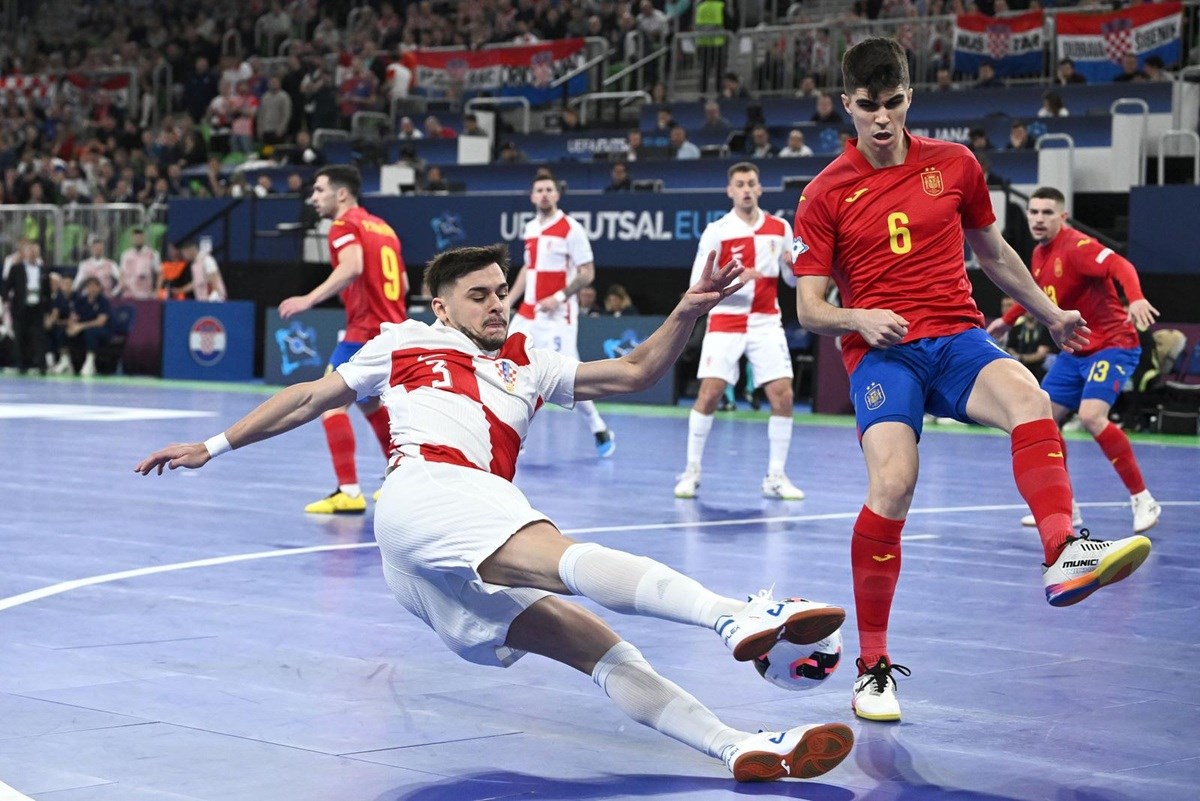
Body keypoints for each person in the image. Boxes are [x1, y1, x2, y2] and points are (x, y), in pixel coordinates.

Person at [134, 243, 855, 784]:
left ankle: (737, 745)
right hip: (427, 489)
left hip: (433, 556)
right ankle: (734, 615)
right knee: (562, 556)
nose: (496, 305)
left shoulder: (529, 359)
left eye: (501, 293)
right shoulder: (402, 342)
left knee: (600, 649)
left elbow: (634, 372)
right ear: (441, 307)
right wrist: (212, 445)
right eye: (478, 296)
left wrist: (687, 311)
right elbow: (307, 398)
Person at [791, 38, 1152, 724]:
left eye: (892, 102)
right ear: (847, 105)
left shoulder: (955, 164)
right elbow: (809, 308)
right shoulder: (824, 192)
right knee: (893, 484)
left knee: (1031, 399)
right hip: (884, 355)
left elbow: (995, 253)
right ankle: (872, 667)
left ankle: (1063, 550)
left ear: (909, 97)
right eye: (867, 105)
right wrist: (858, 316)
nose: (881, 118)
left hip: (957, 338)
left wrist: (1050, 314)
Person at [987, 187, 1162, 535]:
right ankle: (1067, 507)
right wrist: (1007, 321)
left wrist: (1136, 297)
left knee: (1092, 416)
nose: (1038, 219)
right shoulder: (1039, 253)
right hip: (1075, 349)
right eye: (1034, 212)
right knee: (1044, 419)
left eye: (1047, 213)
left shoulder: (1078, 247)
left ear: (1062, 217)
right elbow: (1038, 292)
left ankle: (1143, 499)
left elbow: (1120, 264)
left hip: (1112, 344)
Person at [278, 165, 408, 514]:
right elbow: (404, 284)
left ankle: (348, 491)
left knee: (329, 405)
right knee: (369, 404)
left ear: (342, 194)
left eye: (319, 190)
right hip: (392, 330)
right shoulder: (385, 228)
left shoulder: (343, 225)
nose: (313, 198)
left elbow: (352, 267)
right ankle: (400, 479)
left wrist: (308, 299)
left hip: (363, 332)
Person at [674, 162, 805, 502]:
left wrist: (792, 268)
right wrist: (734, 276)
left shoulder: (780, 227)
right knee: (710, 394)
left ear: (760, 188)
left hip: (766, 320)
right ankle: (691, 471)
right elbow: (697, 283)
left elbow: (792, 281)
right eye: (740, 184)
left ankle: (776, 476)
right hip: (726, 320)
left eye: (751, 183)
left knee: (783, 396)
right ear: (730, 191)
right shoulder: (717, 231)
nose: (746, 189)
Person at [509, 174, 615, 457]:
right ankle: (514, 434)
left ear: (557, 195)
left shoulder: (571, 229)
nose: (544, 194)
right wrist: (509, 300)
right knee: (510, 365)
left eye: (549, 189)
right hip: (528, 311)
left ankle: (598, 426)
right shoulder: (531, 228)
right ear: (532, 196)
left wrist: (557, 297)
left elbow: (587, 273)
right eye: (539, 190)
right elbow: (528, 269)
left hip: (559, 316)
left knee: (567, 379)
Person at [0, 239, 50, 375]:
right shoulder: (16, 268)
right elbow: (6, 287)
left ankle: (41, 366)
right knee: (20, 337)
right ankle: (21, 365)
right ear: (24, 253)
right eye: (29, 250)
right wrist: (6, 302)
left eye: (34, 251)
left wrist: (48, 311)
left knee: (38, 337)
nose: (32, 253)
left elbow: (47, 293)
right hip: (20, 308)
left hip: (37, 308)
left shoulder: (43, 269)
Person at [66, 275, 112, 377]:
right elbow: (74, 316)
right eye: (89, 286)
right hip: (82, 329)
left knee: (90, 332)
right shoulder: (81, 301)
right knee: (65, 331)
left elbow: (100, 322)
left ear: (99, 288)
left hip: (103, 331)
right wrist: (71, 326)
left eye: (94, 286)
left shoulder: (103, 301)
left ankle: (90, 362)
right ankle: (66, 361)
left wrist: (80, 326)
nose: (92, 289)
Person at [118, 227, 161, 301]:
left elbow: (159, 274)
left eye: (140, 237)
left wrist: (157, 292)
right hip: (129, 295)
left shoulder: (152, 254)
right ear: (132, 239)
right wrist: (122, 287)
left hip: (146, 295)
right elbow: (122, 273)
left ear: (144, 238)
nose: (138, 239)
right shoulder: (125, 255)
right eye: (136, 237)